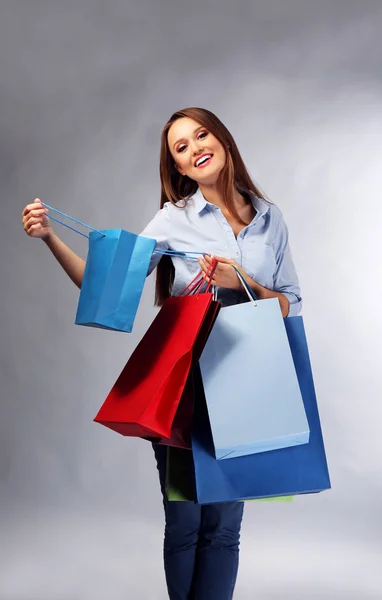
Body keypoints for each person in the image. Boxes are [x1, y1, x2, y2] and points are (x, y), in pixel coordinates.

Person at [21, 107, 302, 600]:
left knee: (225, 527)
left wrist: (244, 283)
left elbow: (289, 303)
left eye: (201, 135)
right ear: (178, 168)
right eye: (181, 147)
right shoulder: (174, 219)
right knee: (187, 524)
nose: (195, 148)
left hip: (247, 384)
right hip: (186, 386)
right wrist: (50, 238)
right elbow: (104, 287)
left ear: (222, 140)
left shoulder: (268, 217)